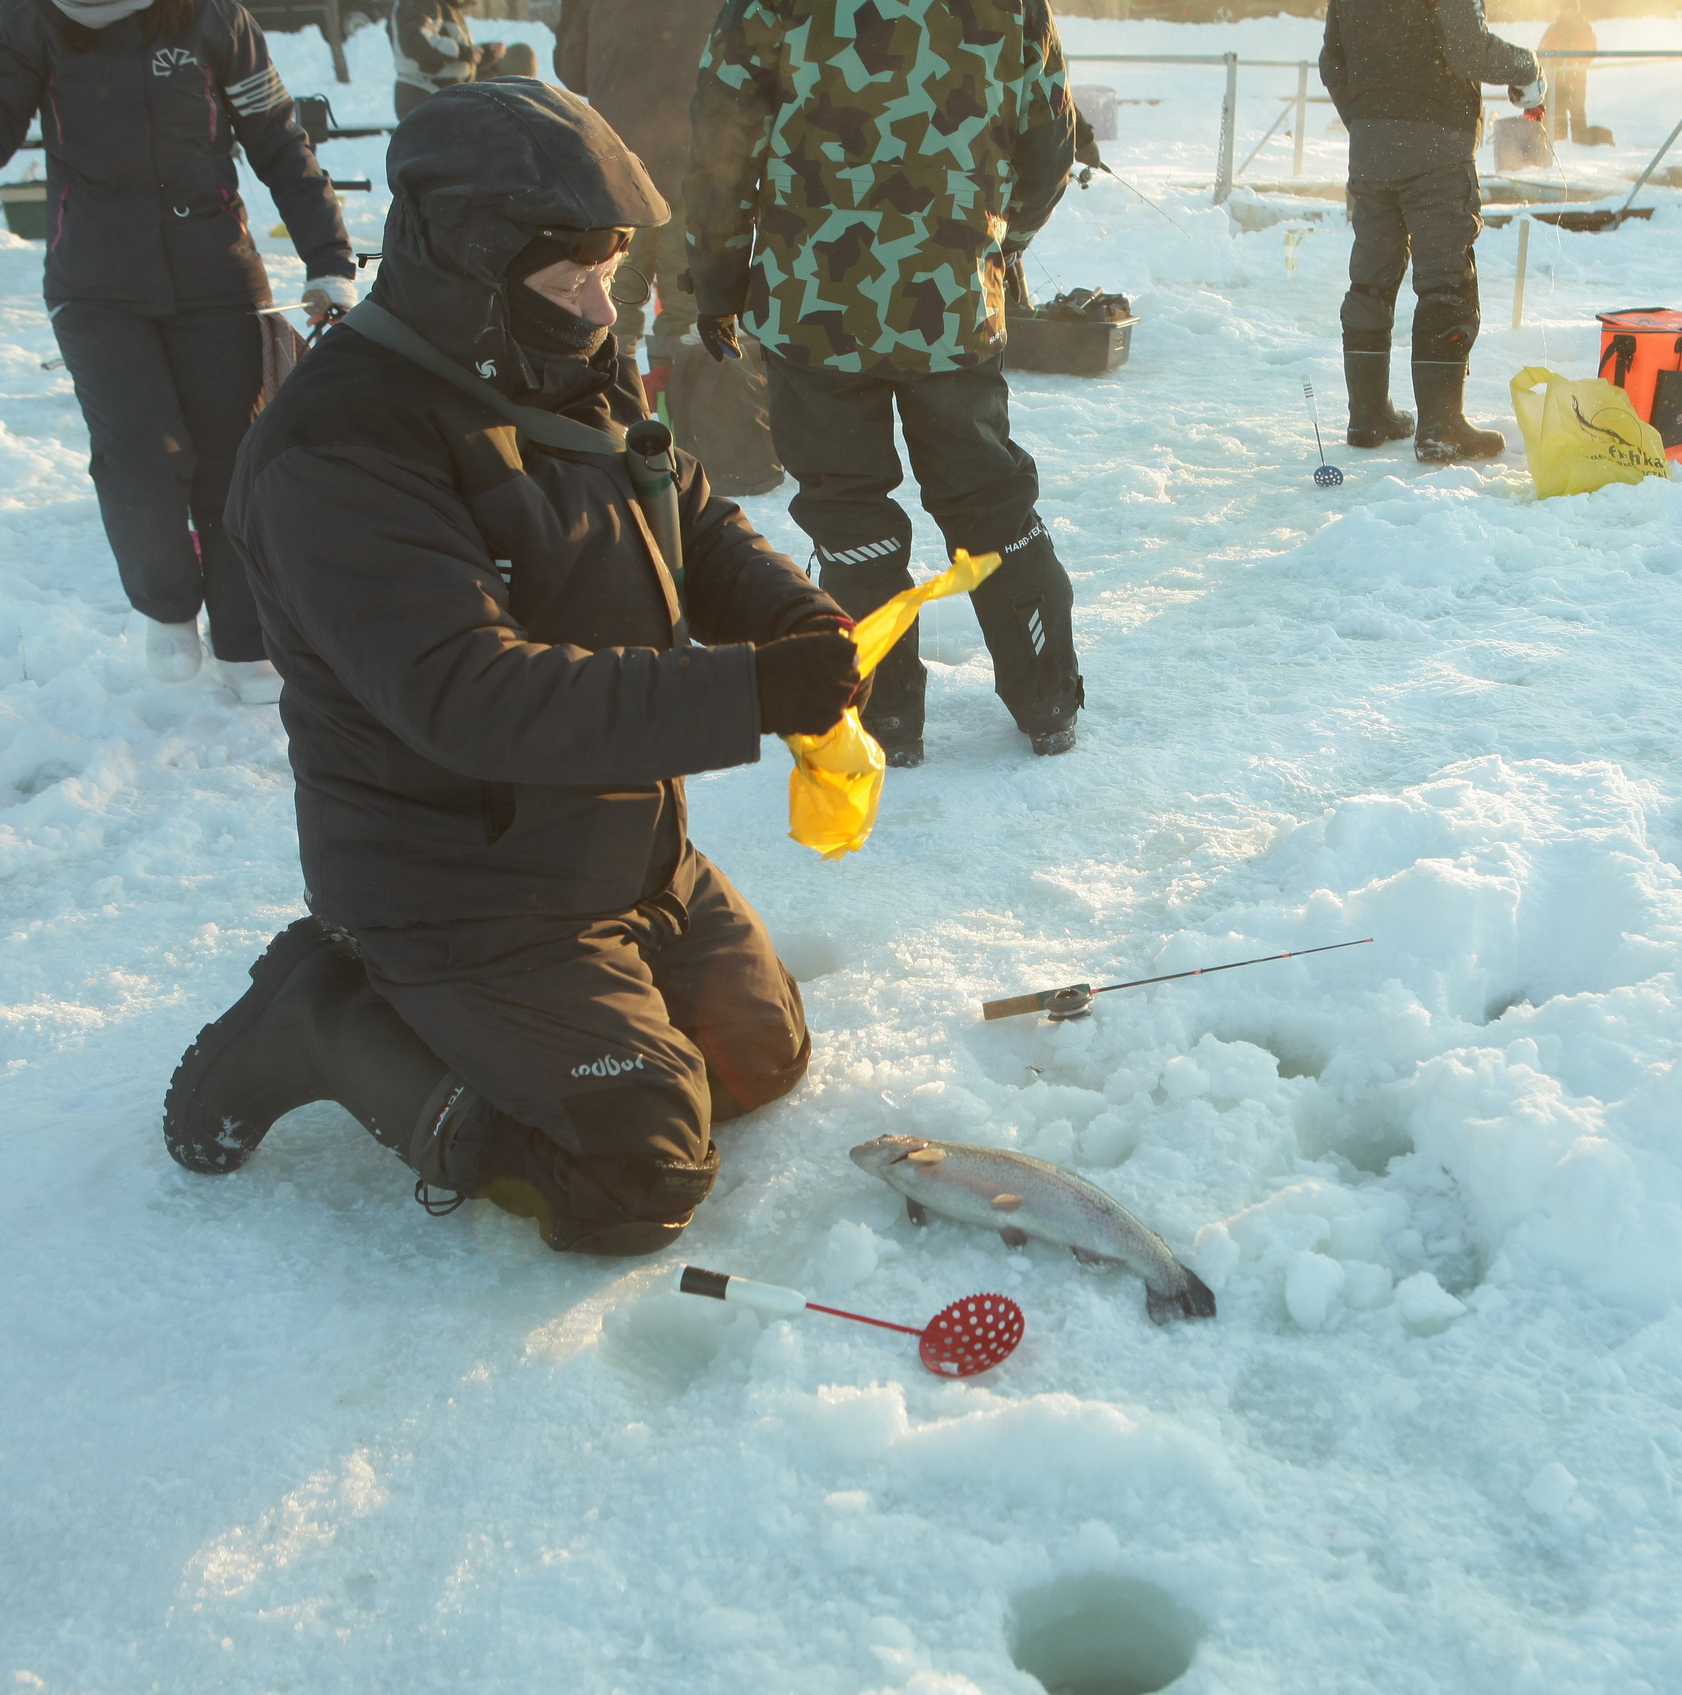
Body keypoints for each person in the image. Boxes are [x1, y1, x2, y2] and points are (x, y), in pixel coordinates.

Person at [167, 80, 858, 1257]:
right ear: (472, 264)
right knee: (637, 1174)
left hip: (615, 847)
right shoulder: (341, 445)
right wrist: (745, 695)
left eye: (614, 264)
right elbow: (468, 696)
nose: (604, 301)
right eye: (572, 273)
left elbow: (679, 505)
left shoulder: (552, 357)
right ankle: (331, 1017)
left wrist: (791, 621)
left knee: (759, 1059)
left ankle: (571, 1001)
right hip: (458, 884)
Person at [0, 0, 356, 704]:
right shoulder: (30, 21)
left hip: (216, 273)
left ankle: (248, 640)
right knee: (140, 456)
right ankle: (165, 604)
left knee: (234, 459)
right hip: (95, 281)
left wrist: (327, 259)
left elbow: (279, 139)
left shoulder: (213, 17)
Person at [686, 0, 1085, 765]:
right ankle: (1047, 700)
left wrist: (718, 279)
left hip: (814, 304)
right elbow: (1049, 143)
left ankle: (885, 715)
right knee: (990, 500)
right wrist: (991, 251)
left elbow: (722, 147)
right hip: (951, 304)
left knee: (847, 512)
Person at [1320, 0, 1543, 462]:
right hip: (1436, 146)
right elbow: (1467, 50)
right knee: (1447, 281)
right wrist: (1527, 64)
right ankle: (1441, 426)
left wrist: (1367, 122)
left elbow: (1332, 61)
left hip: (1371, 149)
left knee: (1370, 278)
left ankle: (1367, 416)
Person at [554, 0, 718, 402]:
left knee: (608, 304)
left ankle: (612, 416)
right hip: (698, 160)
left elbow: (572, 65)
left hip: (620, 164)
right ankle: (687, 428)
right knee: (690, 314)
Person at [389, 0, 478, 121]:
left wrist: (483, 52)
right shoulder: (415, 3)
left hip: (445, 96)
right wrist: (464, 52)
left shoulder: (447, 6)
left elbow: (453, 57)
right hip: (424, 92)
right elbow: (420, 44)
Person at [1539, 0, 1595, 147]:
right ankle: (1560, 145)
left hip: (1577, 80)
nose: (1568, 13)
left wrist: (1576, 64)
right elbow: (1542, 51)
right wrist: (1548, 63)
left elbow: (1591, 51)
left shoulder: (1585, 29)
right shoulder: (1554, 30)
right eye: (1566, 9)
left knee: (1577, 112)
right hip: (1557, 80)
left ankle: (1581, 144)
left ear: (1577, 11)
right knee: (1558, 114)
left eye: (1571, 9)